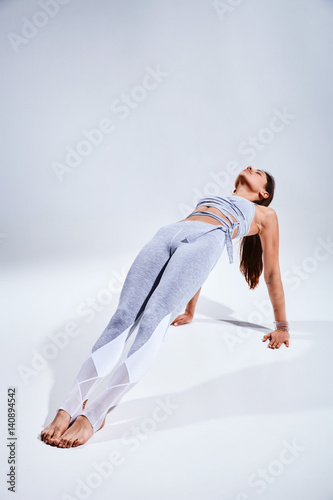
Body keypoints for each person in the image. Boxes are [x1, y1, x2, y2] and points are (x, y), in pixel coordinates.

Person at [40, 166, 290, 448]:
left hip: (208, 239)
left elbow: (271, 273)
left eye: (257, 171)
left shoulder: (266, 215)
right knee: (123, 315)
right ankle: (70, 404)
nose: (249, 167)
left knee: (153, 321)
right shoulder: (212, 198)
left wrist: (281, 326)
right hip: (168, 234)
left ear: (263, 192)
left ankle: (96, 412)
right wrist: (191, 308)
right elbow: (196, 272)